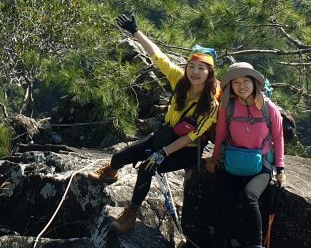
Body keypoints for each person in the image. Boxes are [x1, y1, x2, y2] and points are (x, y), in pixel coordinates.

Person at [91, 13, 220, 233]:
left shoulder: (210, 105)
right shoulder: (179, 80)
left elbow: (192, 136)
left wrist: (163, 153)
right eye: (192, 67)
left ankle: (131, 214)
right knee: (119, 157)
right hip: (165, 135)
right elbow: (158, 56)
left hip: (186, 149)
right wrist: (135, 31)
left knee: (146, 167)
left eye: (201, 69)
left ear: (210, 73)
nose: (195, 72)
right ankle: (110, 172)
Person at [203, 62, 286, 248]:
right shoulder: (227, 107)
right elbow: (221, 132)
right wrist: (214, 158)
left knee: (249, 196)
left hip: (261, 166)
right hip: (232, 161)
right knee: (225, 203)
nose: (241, 86)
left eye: (245, 81)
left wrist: (280, 168)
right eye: (236, 82)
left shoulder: (269, 108)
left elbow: (278, 138)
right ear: (231, 86)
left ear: (254, 83)